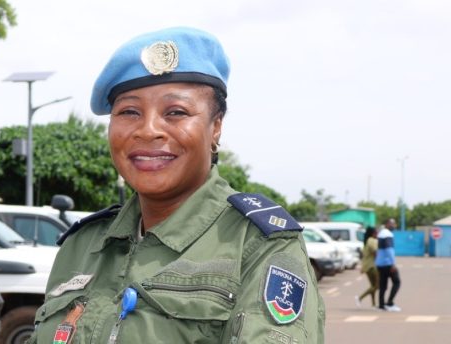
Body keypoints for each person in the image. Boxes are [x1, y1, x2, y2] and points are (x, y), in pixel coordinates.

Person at [28, 27, 324, 344]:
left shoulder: (259, 246)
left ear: (216, 128)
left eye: (176, 112)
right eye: (129, 111)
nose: (148, 130)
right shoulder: (82, 246)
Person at [376, 218, 401, 311]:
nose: (394, 226)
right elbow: (389, 250)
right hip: (387, 263)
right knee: (397, 282)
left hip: (380, 263)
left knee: (383, 285)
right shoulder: (387, 234)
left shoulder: (381, 233)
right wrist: (393, 264)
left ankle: (381, 305)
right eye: (392, 224)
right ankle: (390, 303)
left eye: (394, 224)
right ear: (387, 224)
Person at [356, 226, 379, 307]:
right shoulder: (372, 240)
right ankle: (360, 298)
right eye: (376, 232)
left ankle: (373, 304)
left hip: (366, 266)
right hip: (372, 266)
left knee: (373, 286)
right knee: (377, 286)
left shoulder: (366, 242)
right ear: (373, 233)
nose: (378, 234)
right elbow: (375, 251)